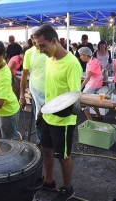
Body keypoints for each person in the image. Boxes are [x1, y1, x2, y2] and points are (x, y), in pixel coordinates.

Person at [33, 24, 82, 201]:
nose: (40, 50)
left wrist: (62, 111)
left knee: (63, 156)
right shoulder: (49, 58)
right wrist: (44, 109)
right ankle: (49, 181)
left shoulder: (72, 64)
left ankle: (68, 188)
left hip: (63, 120)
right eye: (38, 46)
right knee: (46, 150)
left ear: (55, 41)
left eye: (42, 45)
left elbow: (75, 96)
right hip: (48, 114)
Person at [19, 26, 46, 146]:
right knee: (38, 118)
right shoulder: (29, 53)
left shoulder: (49, 51)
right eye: (33, 38)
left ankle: (50, 143)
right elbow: (24, 75)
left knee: (53, 119)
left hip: (52, 92)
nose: (35, 41)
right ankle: (40, 142)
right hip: (36, 92)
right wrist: (22, 96)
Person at [79, 47, 103, 121]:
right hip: (99, 82)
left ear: (86, 55)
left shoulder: (90, 64)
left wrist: (80, 87)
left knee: (83, 102)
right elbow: (101, 67)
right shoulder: (95, 59)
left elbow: (87, 77)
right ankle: (98, 114)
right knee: (93, 100)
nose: (80, 57)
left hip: (92, 85)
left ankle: (90, 121)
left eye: (81, 55)